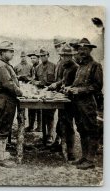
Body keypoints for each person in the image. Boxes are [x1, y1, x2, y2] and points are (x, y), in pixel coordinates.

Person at [64, 38, 103, 170]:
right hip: (77, 103)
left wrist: (80, 90)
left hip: (88, 104)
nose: (82, 51)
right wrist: (70, 88)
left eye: (85, 49)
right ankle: (84, 158)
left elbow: (97, 86)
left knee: (91, 130)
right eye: (80, 49)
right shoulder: (80, 66)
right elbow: (77, 83)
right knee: (81, 129)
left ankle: (90, 160)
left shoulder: (95, 66)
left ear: (90, 50)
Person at [0, 41, 23, 167]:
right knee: (3, 128)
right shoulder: (2, 66)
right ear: (2, 53)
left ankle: (2, 154)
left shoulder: (5, 65)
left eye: (12, 51)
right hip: (5, 100)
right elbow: (8, 84)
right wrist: (20, 91)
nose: (12, 53)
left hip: (8, 99)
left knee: (5, 127)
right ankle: (1, 159)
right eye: (9, 51)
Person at [48, 44, 79, 160]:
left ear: (71, 56)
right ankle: (61, 144)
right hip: (64, 98)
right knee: (61, 121)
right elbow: (63, 80)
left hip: (71, 101)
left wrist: (67, 88)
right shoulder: (65, 66)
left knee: (69, 125)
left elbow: (76, 84)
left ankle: (71, 152)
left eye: (67, 56)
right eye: (63, 56)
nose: (65, 58)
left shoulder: (75, 67)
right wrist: (58, 85)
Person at [32, 48, 56, 146]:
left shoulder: (54, 66)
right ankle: (44, 136)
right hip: (41, 93)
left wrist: (52, 86)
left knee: (50, 115)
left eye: (44, 55)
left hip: (51, 93)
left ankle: (50, 136)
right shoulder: (38, 67)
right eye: (41, 56)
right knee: (43, 114)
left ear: (48, 55)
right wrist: (36, 82)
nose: (42, 57)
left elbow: (58, 80)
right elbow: (33, 80)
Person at [48, 37, 66, 150]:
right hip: (60, 93)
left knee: (65, 120)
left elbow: (66, 78)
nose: (58, 48)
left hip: (67, 93)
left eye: (60, 45)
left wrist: (57, 84)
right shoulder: (59, 60)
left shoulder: (68, 60)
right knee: (60, 118)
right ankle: (58, 141)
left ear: (65, 45)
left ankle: (66, 149)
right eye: (56, 46)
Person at [25, 51, 42, 132]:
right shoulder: (32, 67)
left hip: (40, 90)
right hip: (33, 89)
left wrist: (35, 82)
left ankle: (40, 126)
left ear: (38, 58)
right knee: (30, 107)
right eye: (31, 58)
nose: (32, 59)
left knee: (39, 108)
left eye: (34, 58)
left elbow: (40, 80)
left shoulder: (40, 67)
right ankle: (31, 126)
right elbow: (32, 77)